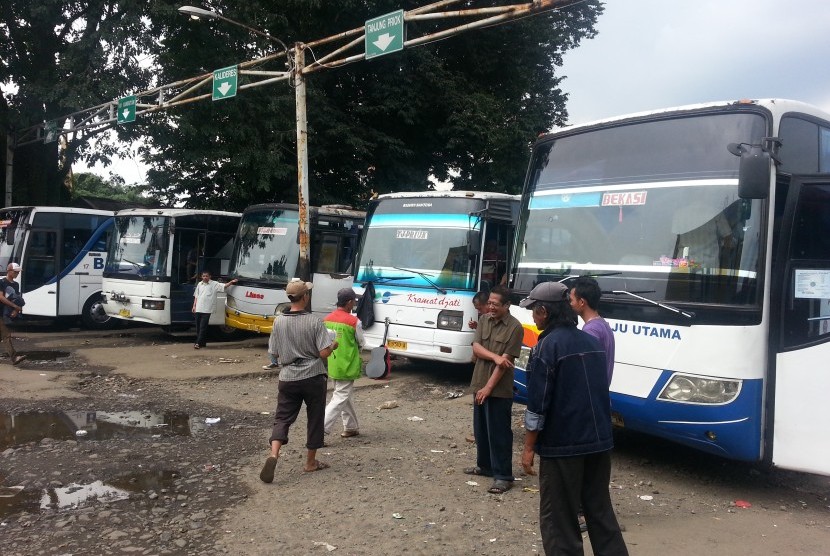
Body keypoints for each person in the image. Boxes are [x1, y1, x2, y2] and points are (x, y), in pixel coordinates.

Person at [519, 281, 628, 556]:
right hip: (599, 442)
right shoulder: (592, 341)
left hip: (563, 445)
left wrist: (529, 447)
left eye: (534, 310)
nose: (532, 316)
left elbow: (538, 404)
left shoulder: (547, 347)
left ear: (544, 312)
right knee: (600, 512)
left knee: (559, 519)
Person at [260, 279, 338, 483]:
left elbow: (274, 353)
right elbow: (323, 353)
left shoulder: (279, 321)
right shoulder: (314, 321)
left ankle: (273, 454)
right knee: (314, 418)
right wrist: (333, 346)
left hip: (287, 377)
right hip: (312, 376)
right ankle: (310, 462)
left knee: (282, 417)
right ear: (305, 297)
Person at [463, 284, 523, 495]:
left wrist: (488, 388)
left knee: (499, 433)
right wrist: (494, 356)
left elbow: (506, 362)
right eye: (489, 303)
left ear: (507, 305)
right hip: (479, 382)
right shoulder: (483, 320)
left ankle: (503, 476)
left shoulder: (515, 327)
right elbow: (476, 347)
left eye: (495, 304)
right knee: (481, 430)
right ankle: (485, 466)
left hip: (498, 388)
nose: (490, 307)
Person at [323, 288, 365, 438]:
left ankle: (351, 427)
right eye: (354, 301)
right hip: (348, 363)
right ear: (349, 302)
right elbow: (361, 342)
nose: (354, 304)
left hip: (333, 362)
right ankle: (320, 430)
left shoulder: (327, 319)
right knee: (340, 396)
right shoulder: (354, 321)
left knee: (343, 395)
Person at [569, 276, 615, 384]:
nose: (570, 304)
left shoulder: (591, 330)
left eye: (571, 300)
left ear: (581, 302)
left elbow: (584, 370)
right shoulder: (602, 324)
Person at [191, 270, 237, 349]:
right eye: (203, 276)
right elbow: (196, 296)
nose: (205, 277)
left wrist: (231, 282)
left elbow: (224, 286)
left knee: (203, 326)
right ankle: (202, 343)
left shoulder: (214, 284)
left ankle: (197, 343)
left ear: (210, 277)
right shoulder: (199, 284)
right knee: (198, 327)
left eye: (206, 276)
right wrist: (194, 306)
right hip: (198, 308)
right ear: (201, 277)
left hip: (207, 309)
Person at [0, 263, 26, 365]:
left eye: (18, 272)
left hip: (6, 313)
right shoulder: (2, 282)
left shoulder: (16, 285)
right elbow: (1, 297)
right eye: (15, 272)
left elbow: (16, 299)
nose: (17, 273)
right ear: (9, 271)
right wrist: (15, 307)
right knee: (6, 335)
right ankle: (14, 357)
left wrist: (16, 310)